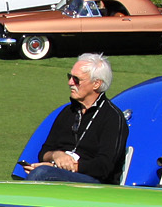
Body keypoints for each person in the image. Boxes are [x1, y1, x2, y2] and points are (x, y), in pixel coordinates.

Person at [26, 55, 128, 184]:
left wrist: (66, 167)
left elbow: (104, 166)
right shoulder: (67, 112)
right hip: (61, 174)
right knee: (39, 172)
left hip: (96, 183)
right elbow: (44, 151)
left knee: (42, 174)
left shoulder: (113, 118)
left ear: (96, 84)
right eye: (70, 77)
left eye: (76, 80)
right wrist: (56, 155)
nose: (70, 83)